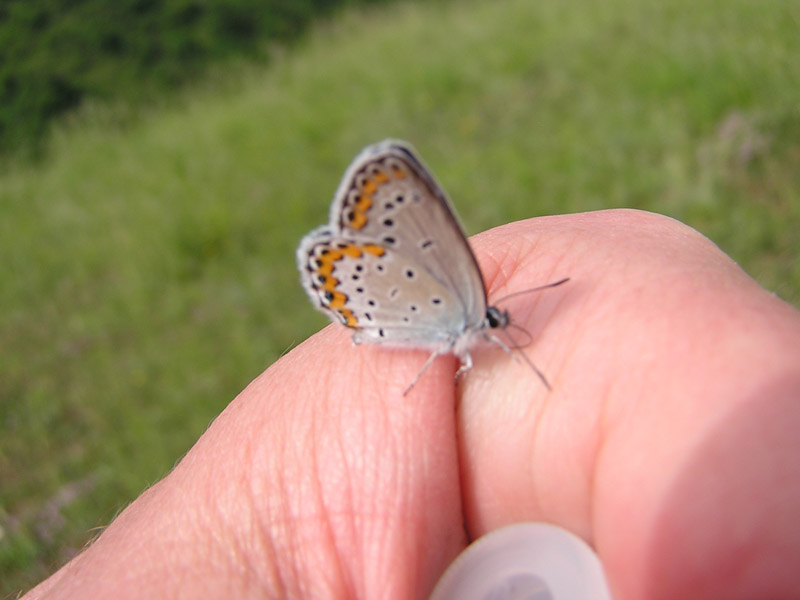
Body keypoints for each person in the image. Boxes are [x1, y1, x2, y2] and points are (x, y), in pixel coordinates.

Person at [24, 210, 800, 599]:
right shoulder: (467, 323)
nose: (503, 326)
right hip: (394, 320)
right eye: (498, 319)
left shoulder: (481, 326)